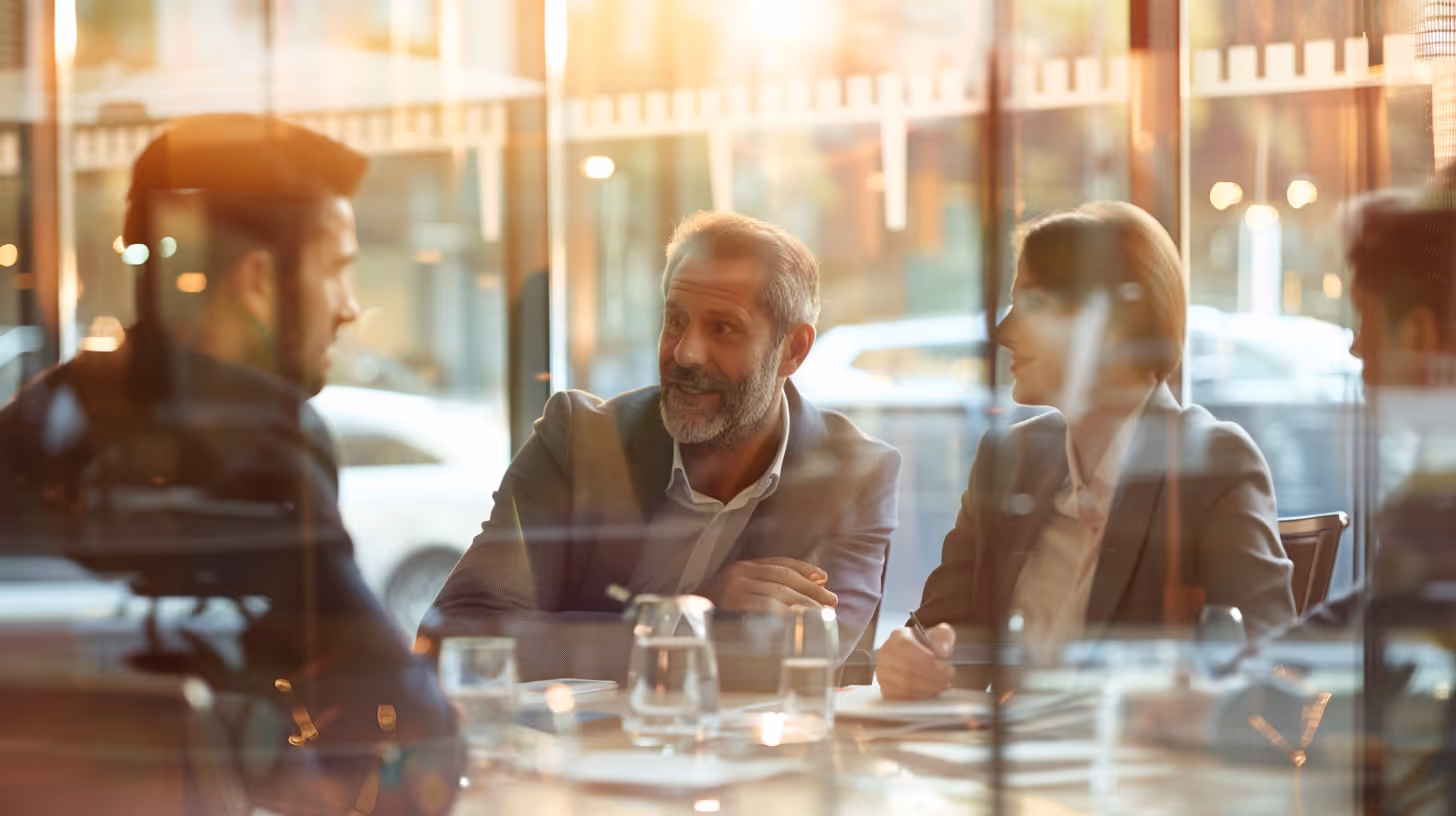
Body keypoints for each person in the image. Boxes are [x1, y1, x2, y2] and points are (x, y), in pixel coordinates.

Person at [0, 115, 460, 815]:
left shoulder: (39, 419)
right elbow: (408, 728)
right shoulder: (260, 440)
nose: (349, 305)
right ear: (257, 283)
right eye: (336, 268)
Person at [427, 211, 902, 660]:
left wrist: (589, 636)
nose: (686, 352)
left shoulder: (855, 476)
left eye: (723, 328)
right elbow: (462, 633)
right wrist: (685, 615)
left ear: (793, 350)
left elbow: (805, 656)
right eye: (676, 320)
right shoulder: (578, 443)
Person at [875, 201, 1297, 699]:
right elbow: (941, 636)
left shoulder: (1212, 464)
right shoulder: (1009, 459)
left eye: (1030, 304)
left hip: (1142, 769)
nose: (1003, 332)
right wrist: (910, 658)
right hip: (1009, 769)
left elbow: (1272, 675)